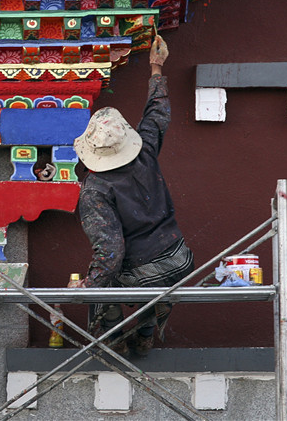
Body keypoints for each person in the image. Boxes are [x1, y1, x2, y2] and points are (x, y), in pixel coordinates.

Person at [69, 35, 194, 357]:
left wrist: (85, 289)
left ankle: (111, 343)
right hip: (181, 258)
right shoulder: (145, 154)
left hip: (144, 272)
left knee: (101, 285)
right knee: (135, 284)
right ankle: (147, 328)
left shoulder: (95, 191)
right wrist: (156, 66)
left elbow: (110, 252)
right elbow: (157, 116)